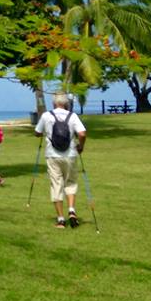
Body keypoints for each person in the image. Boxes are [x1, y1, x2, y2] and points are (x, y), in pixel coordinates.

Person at [34, 92, 88, 229]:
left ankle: (61, 220)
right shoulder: (73, 116)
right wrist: (81, 146)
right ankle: (71, 210)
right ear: (66, 103)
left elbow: (37, 132)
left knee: (56, 184)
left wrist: (43, 132)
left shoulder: (46, 115)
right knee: (70, 182)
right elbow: (82, 133)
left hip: (52, 155)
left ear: (53, 103)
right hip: (70, 154)